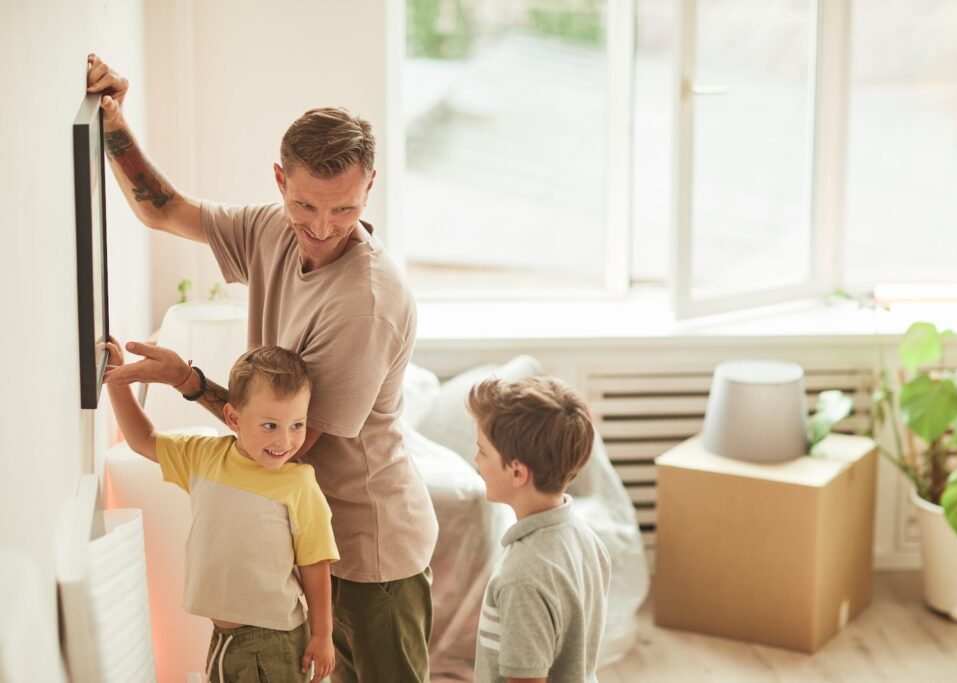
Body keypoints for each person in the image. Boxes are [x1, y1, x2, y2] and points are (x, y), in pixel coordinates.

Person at [88, 53, 439, 682]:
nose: (323, 228)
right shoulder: (269, 231)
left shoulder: (367, 304)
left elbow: (283, 444)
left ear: (370, 189)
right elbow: (160, 209)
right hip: (305, 533)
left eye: (344, 210)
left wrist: (189, 382)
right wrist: (113, 117)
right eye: (306, 206)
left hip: (368, 547)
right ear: (280, 181)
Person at [106, 342, 338, 682]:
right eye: (271, 426)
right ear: (233, 418)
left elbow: (316, 563)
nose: (285, 441)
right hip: (223, 638)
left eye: (297, 425)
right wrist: (118, 380)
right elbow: (143, 439)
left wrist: (322, 635)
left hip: (275, 641)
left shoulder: (299, 484)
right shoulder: (204, 457)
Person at [467, 377, 611, 683]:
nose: (476, 459)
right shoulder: (586, 538)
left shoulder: (523, 578)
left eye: (483, 451)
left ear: (517, 472)